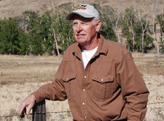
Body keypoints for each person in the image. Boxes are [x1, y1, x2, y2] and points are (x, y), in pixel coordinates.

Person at [19, 4, 149, 121]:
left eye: (84, 23)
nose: (78, 28)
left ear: (97, 26)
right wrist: (35, 96)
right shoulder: (70, 53)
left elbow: (137, 95)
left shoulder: (118, 53)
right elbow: (59, 88)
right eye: (75, 23)